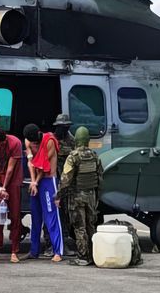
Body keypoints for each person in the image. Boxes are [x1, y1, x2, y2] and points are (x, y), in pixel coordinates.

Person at [58, 126, 102, 266]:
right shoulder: (94, 156)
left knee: (79, 226)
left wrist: (58, 195)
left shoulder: (73, 156)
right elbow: (100, 177)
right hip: (91, 196)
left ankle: (83, 257)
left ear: (76, 140)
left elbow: (66, 179)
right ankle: (94, 254)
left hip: (77, 196)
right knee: (90, 225)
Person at [24, 123, 64, 262]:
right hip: (36, 182)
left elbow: (43, 166)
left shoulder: (49, 141)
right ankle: (34, 251)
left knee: (51, 216)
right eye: (32, 143)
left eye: (35, 143)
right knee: (35, 217)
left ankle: (58, 251)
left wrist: (36, 181)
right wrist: (33, 182)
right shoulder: (28, 141)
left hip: (48, 180)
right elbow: (30, 162)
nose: (33, 145)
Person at [0, 120, 24, 263]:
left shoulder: (15, 143)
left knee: (15, 215)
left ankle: (14, 250)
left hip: (13, 181)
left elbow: (10, 169)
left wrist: (4, 187)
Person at [52, 113, 76, 254]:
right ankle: (50, 243)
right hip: (53, 180)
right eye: (61, 127)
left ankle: (64, 243)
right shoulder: (51, 139)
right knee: (52, 213)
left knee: (66, 214)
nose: (64, 129)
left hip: (66, 182)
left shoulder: (71, 140)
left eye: (66, 127)